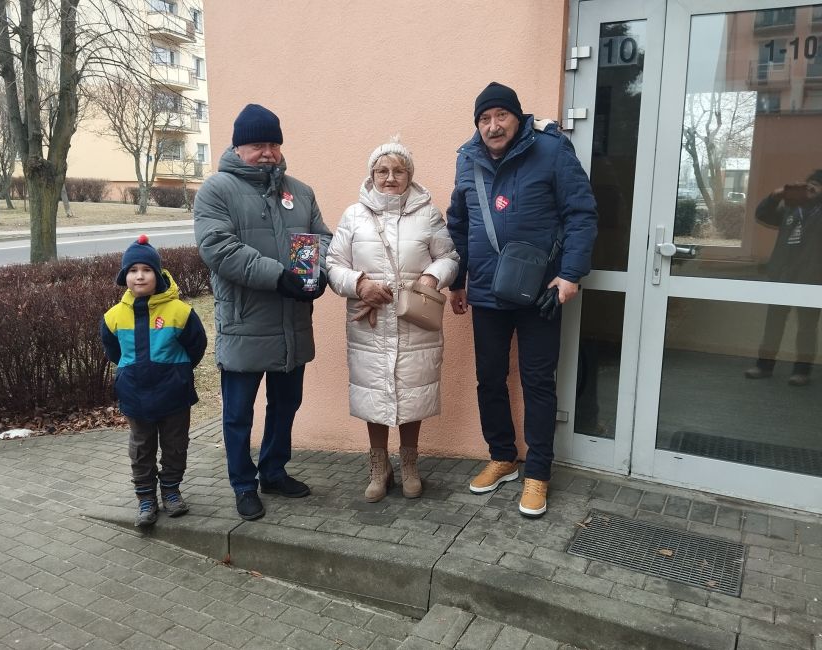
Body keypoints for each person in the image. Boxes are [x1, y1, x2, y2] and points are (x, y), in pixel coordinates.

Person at [446, 82, 597, 518]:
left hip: (541, 292)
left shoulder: (551, 151)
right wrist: (458, 280)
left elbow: (581, 214)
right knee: (489, 379)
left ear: (518, 117)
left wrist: (570, 274)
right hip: (486, 291)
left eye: (501, 116)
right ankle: (503, 457)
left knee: (538, 383)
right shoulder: (467, 159)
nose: (493, 126)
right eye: (484, 119)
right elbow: (458, 224)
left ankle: (538, 473)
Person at [193, 104, 332, 521]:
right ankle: (243, 484)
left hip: (291, 322)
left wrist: (316, 274)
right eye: (258, 144)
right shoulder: (216, 191)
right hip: (245, 322)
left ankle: (273, 471)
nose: (268, 152)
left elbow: (322, 238)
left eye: (274, 143)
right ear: (238, 147)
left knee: (285, 405)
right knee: (239, 414)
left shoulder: (300, 192)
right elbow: (219, 248)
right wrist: (278, 277)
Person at [327, 140, 459, 502]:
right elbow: (333, 264)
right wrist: (360, 284)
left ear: (409, 175)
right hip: (370, 323)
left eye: (398, 171)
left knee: (412, 393)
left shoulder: (427, 214)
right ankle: (379, 465)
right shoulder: (354, 215)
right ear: (371, 175)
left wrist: (432, 277)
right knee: (374, 394)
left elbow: (449, 257)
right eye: (382, 171)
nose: (390, 178)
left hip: (413, 320)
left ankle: (410, 464)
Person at [100, 235, 207, 527]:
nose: (139, 276)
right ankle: (146, 498)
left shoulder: (180, 312)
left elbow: (196, 346)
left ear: (157, 274)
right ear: (124, 276)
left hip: (174, 395)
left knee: (175, 445)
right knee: (141, 448)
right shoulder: (113, 317)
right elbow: (114, 352)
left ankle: (171, 490)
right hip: (135, 395)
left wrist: (178, 372)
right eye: (133, 270)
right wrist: (131, 370)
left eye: (146, 269)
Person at [744, 170, 822, 387]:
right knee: (773, 324)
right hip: (783, 275)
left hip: (811, 278)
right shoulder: (791, 207)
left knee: (806, 327)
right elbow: (762, 215)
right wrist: (775, 196)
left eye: (817, 185)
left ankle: (801, 371)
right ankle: (764, 366)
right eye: (809, 183)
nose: (811, 187)